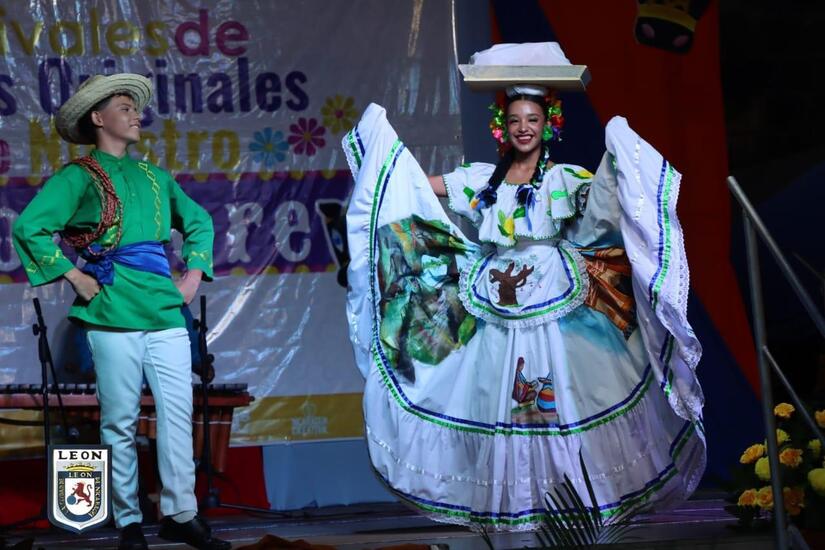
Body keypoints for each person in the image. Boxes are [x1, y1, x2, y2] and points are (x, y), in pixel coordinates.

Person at [342, 43, 705, 530]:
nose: (524, 128)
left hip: (552, 294)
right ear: (503, 126)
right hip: (495, 298)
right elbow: (419, 186)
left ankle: (568, 502)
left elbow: (603, 201)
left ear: (547, 122)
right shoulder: (482, 179)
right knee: (498, 397)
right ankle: (511, 505)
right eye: (515, 120)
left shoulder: (561, 178)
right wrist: (387, 167)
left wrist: (622, 150)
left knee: (558, 395)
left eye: (532, 119)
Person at [12, 74, 229, 550]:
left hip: (165, 310)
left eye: (135, 108)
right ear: (98, 117)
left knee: (178, 414)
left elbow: (198, 222)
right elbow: (30, 227)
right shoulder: (78, 177)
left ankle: (181, 513)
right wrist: (74, 276)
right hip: (111, 310)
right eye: (125, 108)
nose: (136, 115)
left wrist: (192, 276)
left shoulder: (155, 177)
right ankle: (129, 519)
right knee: (119, 420)